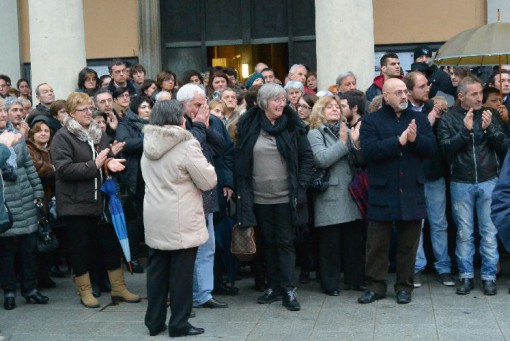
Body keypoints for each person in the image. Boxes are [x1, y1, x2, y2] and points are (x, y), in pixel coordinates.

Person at [50, 92, 140, 308]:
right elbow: (63, 170)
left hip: (102, 201)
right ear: (72, 112)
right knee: (81, 248)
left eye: (91, 108)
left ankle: (118, 287)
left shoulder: (97, 133)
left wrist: (109, 162)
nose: (90, 113)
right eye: (84, 109)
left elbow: (104, 158)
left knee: (110, 245)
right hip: (75, 203)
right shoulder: (62, 137)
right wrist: (96, 165)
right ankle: (85, 291)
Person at [235, 83, 314, 311]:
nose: (281, 104)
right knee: (268, 243)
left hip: (286, 197)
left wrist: (301, 186)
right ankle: (273, 286)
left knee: (285, 243)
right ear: (263, 103)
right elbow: (241, 158)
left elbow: (307, 158)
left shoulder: (292, 126)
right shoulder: (249, 124)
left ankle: (289, 289)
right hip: (259, 197)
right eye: (276, 100)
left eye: (283, 99)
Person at [142, 99, 217, 337]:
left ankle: (154, 322)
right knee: (181, 275)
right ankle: (179, 324)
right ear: (178, 119)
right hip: (181, 215)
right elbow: (208, 181)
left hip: (155, 214)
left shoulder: (149, 142)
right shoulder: (186, 145)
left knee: (157, 272)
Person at [358, 78, 436, 305]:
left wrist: (414, 140)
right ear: (386, 96)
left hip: (411, 189)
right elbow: (369, 151)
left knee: (408, 245)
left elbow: (431, 149)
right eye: (398, 92)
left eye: (405, 91)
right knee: (377, 245)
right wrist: (399, 141)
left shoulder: (419, 119)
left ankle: (404, 287)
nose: (404, 96)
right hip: (382, 191)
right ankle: (375, 286)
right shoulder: (371, 120)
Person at [438, 76, 507, 296]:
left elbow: (505, 146)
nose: (480, 98)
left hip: (489, 180)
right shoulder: (449, 118)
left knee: (488, 231)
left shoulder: (491, 114)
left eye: (480, 93)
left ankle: (488, 276)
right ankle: (466, 276)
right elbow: (446, 148)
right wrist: (465, 132)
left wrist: (489, 130)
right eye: (474, 94)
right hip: (461, 181)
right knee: (464, 233)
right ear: (461, 96)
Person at [176, 84, 230, 309]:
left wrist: (206, 126)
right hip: (187, 197)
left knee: (208, 247)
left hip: (206, 195)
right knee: (191, 249)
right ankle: (190, 295)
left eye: (203, 104)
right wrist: (199, 125)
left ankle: (204, 294)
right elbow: (190, 147)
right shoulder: (175, 123)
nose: (201, 109)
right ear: (183, 104)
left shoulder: (204, 121)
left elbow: (223, 147)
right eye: (197, 105)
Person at [307, 95, 365, 295]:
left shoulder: (347, 130)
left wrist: (356, 144)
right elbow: (321, 159)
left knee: (353, 240)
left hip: (350, 193)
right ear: (320, 111)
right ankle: (330, 284)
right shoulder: (315, 133)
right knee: (329, 242)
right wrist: (342, 143)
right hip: (329, 194)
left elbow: (359, 161)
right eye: (329, 106)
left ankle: (354, 279)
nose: (335, 109)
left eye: (338, 107)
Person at [403, 71, 455, 288]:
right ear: (409, 90)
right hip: (412, 175)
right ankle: (416, 268)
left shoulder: (437, 106)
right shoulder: (403, 111)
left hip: (434, 173)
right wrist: (430, 118)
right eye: (422, 86)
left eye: (428, 85)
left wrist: (435, 113)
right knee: (416, 224)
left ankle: (443, 267)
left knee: (439, 222)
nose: (427, 89)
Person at [0, 97, 47, 310]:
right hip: (5, 203)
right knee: (6, 252)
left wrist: (38, 191)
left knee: (29, 249)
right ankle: (9, 292)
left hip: (25, 198)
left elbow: (28, 166)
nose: (2, 114)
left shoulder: (17, 136)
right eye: (0, 111)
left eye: (3, 110)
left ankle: (30, 289)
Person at [115, 95, 153, 273]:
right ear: (136, 108)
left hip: (152, 178)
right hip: (134, 178)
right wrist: (150, 141)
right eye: (143, 107)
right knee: (135, 221)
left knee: (151, 221)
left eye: (149, 107)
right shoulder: (126, 123)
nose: (147, 110)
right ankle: (133, 258)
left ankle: (153, 257)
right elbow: (125, 144)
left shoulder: (156, 124)